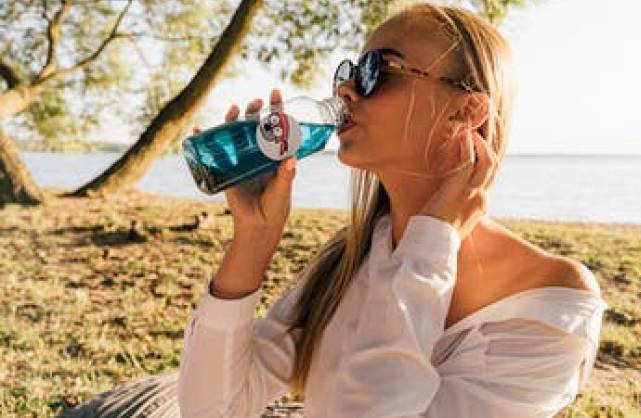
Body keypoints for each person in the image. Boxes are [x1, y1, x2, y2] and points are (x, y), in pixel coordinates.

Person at [64, 2, 608, 417]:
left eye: (376, 71)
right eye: (348, 71)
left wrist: (431, 244)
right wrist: (253, 238)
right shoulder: (349, 262)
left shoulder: (553, 302)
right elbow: (212, 408)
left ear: (465, 112)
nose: (347, 90)